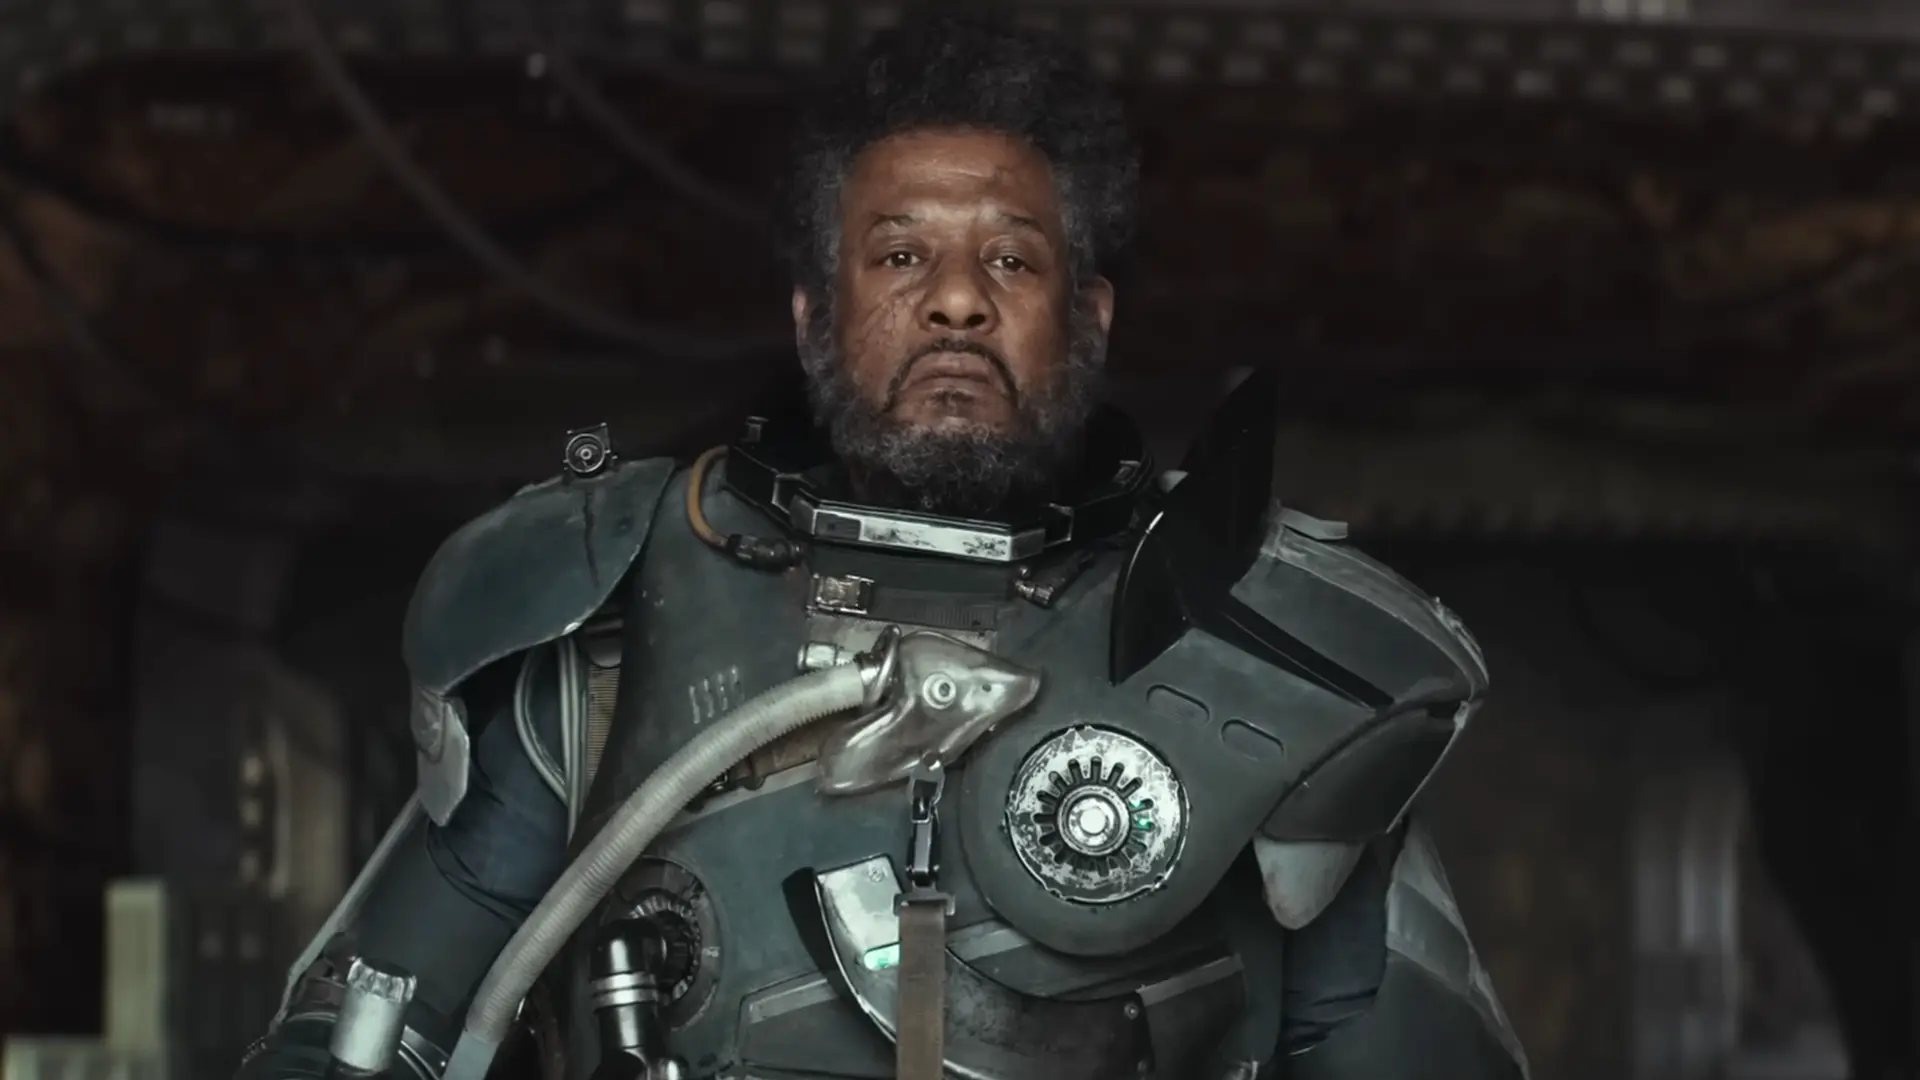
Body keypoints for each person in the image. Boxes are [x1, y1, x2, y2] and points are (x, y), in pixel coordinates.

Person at [238, 15, 1528, 1080]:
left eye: (1010, 260)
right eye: (901, 254)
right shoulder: (614, 627)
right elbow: (362, 1036)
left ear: (1090, 317)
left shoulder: (1261, 654)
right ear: (815, 318)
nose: (956, 300)